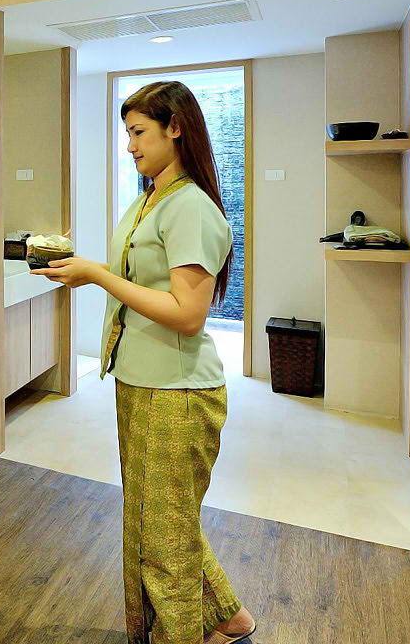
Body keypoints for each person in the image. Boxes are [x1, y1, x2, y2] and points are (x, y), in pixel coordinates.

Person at [32, 80, 255, 644]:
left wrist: (97, 275)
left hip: (177, 393)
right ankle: (228, 617)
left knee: (163, 537)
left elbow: (188, 314)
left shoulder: (191, 207)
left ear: (174, 128)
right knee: (158, 519)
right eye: (127, 134)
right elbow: (142, 278)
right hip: (140, 381)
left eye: (138, 133)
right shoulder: (150, 198)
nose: (129, 146)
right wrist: (83, 267)